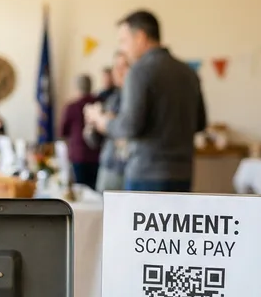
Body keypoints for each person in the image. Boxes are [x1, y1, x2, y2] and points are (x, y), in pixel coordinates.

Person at [99, 10, 206, 192]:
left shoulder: (139, 71)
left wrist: (104, 122)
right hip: (183, 174)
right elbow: (200, 123)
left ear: (140, 37)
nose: (123, 48)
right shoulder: (188, 72)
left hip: (146, 174)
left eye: (124, 41)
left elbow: (129, 127)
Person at [84, 52, 130, 192]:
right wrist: (91, 124)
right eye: (116, 67)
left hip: (126, 168)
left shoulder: (135, 97)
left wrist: (103, 119)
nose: (118, 72)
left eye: (124, 66)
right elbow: (94, 139)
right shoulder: (112, 98)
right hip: (108, 165)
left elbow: (124, 130)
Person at [59, 74, 101, 188]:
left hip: (79, 156)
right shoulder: (99, 103)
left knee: (81, 191)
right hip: (97, 155)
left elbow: (63, 132)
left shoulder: (72, 107)